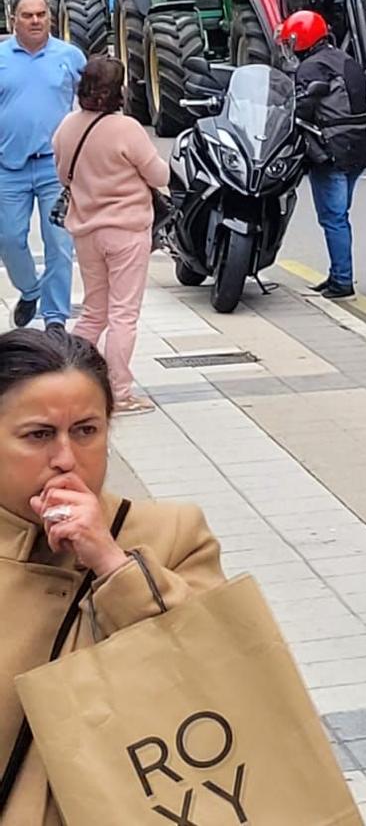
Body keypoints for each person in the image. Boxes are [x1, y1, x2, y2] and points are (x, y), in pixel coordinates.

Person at [0, 330, 225, 825]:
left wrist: (112, 563)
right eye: (38, 435)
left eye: (86, 431)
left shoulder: (171, 534)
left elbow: (222, 678)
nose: (65, 457)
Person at [52, 59, 167, 416]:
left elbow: (62, 174)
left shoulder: (67, 127)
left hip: (86, 230)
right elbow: (159, 174)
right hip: (127, 231)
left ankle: (70, 384)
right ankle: (119, 393)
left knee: (93, 312)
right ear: (119, 90)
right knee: (123, 315)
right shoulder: (127, 129)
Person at [0, 0, 84, 333]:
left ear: (50, 17)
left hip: (55, 167)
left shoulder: (69, 56)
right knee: (8, 238)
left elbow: (94, 100)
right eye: (27, 16)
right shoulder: (2, 59)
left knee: (60, 244)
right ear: (12, 20)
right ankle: (31, 290)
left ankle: (55, 319)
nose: (35, 21)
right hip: (9, 166)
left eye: (41, 14)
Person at [281, 11, 366, 300]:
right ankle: (336, 273)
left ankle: (342, 281)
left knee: (333, 218)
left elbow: (301, 107)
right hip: (358, 146)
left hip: (330, 149)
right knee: (341, 216)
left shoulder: (310, 68)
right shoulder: (346, 59)